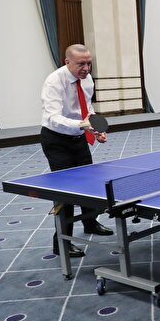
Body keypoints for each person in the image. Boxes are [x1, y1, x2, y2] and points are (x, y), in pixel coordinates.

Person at [41, 44, 114, 257]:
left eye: (89, 63)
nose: (86, 68)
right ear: (67, 62)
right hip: (56, 139)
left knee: (88, 183)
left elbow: (87, 109)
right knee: (66, 190)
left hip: (79, 136)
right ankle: (61, 242)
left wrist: (96, 130)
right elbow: (53, 118)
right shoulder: (54, 82)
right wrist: (83, 125)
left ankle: (90, 223)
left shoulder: (87, 79)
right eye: (81, 64)